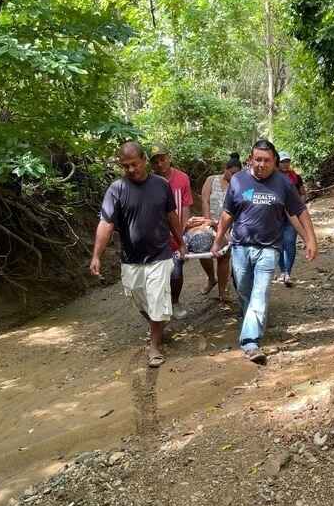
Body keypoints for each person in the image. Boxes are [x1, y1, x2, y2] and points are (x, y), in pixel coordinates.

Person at [211, 139, 318, 365]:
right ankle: (252, 318)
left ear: (275, 161)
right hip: (241, 247)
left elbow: (300, 211)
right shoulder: (238, 180)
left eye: (266, 160)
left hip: (270, 248)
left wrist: (310, 239)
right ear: (250, 159)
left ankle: (250, 341)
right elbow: (227, 213)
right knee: (244, 289)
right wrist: (218, 240)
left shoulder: (283, 183)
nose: (261, 164)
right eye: (257, 159)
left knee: (259, 294)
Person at [90, 141, 186, 368]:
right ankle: (159, 322)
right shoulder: (117, 189)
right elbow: (106, 223)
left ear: (144, 160)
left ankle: (154, 346)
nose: (131, 169)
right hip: (131, 259)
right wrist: (96, 255)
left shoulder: (161, 185)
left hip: (160, 255)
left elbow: (171, 215)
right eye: (125, 166)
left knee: (157, 299)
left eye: (134, 164)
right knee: (138, 298)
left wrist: (180, 241)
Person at [150, 145, 193, 320]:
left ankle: (175, 302)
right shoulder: (149, 181)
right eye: (155, 161)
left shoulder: (182, 178)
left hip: (176, 235)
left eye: (162, 159)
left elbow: (186, 206)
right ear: (151, 164)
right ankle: (159, 307)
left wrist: (182, 234)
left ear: (169, 157)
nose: (160, 164)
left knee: (176, 271)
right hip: (155, 236)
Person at [194, 153, 242, 302]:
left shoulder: (239, 185)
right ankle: (211, 278)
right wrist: (208, 221)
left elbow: (238, 207)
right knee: (201, 249)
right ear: (225, 169)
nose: (234, 176)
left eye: (237, 174)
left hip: (228, 225)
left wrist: (226, 227)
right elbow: (205, 201)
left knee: (224, 255)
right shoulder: (211, 180)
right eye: (231, 173)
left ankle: (222, 291)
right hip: (209, 222)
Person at [277, 151, 306, 287]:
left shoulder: (296, 177)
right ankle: (282, 271)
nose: (285, 164)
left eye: (287, 161)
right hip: (275, 216)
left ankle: (287, 272)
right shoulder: (272, 177)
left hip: (292, 216)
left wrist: (299, 207)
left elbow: (302, 193)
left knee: (289, 243)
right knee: (278, 245)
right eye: (282, 161)